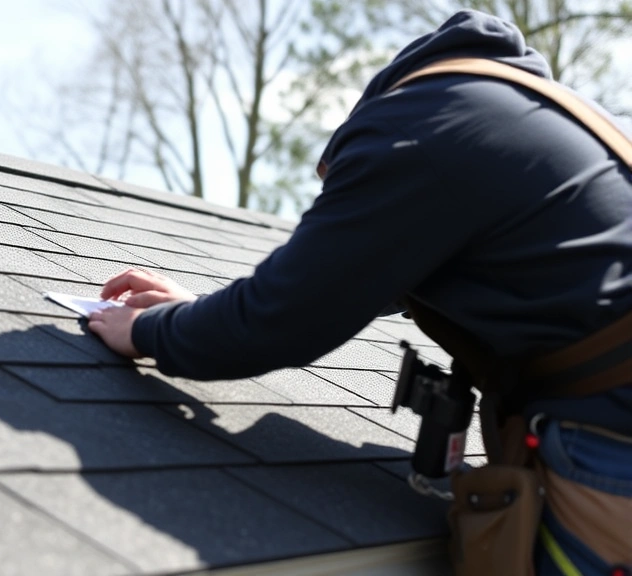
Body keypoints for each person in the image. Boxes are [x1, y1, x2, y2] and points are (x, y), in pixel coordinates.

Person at [88, 10, 631, 576]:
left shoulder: (414, 125)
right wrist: (199, 312)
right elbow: (354, 278)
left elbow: (284, 317)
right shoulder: (556, 120)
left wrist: (148, 329)